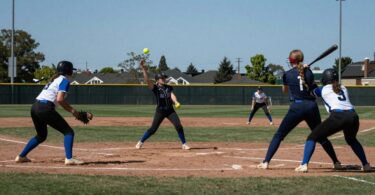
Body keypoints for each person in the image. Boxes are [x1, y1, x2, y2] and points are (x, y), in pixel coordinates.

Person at [257, 49, 341, 170]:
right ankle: (336, 162)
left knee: (279, 135)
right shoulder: (309, 72)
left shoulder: (287, 74)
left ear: (291, 61)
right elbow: (313, 87)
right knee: (320, 136)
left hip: (297, 107)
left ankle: (266, 162)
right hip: (311, 107)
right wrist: (306, 71)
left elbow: (285, 91)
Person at [295, 69, 371, 172]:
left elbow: (311, 92)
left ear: (325, 79)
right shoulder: (343, 87)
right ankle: (365, 164)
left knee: (312, 137)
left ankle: (304, 165)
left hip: (338, 116)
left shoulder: (323, 89)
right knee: (351, 140)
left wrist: (308, 77)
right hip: (353, 116)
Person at [15, 61, 86, 165]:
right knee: (68, 132)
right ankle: (69, 159)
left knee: (41, 136)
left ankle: (21, 156)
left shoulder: (55, 80)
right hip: (45, 108)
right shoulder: (64, 81)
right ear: (68, 70)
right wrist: (73, 111)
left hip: (35, 107)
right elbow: (60, 99)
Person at [135, 60, 190, 150]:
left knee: (178, 126)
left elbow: (172, 95)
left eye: (164, 78)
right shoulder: (155, 88)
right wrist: (144, 70)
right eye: (162, 78)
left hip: (170, 110)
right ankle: (140, 142)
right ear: (158, 80)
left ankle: (184, 144)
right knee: (153, 129)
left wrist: (176, 102)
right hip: (160, 111)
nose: (164, 79)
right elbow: (147, 80)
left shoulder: (168, 87)